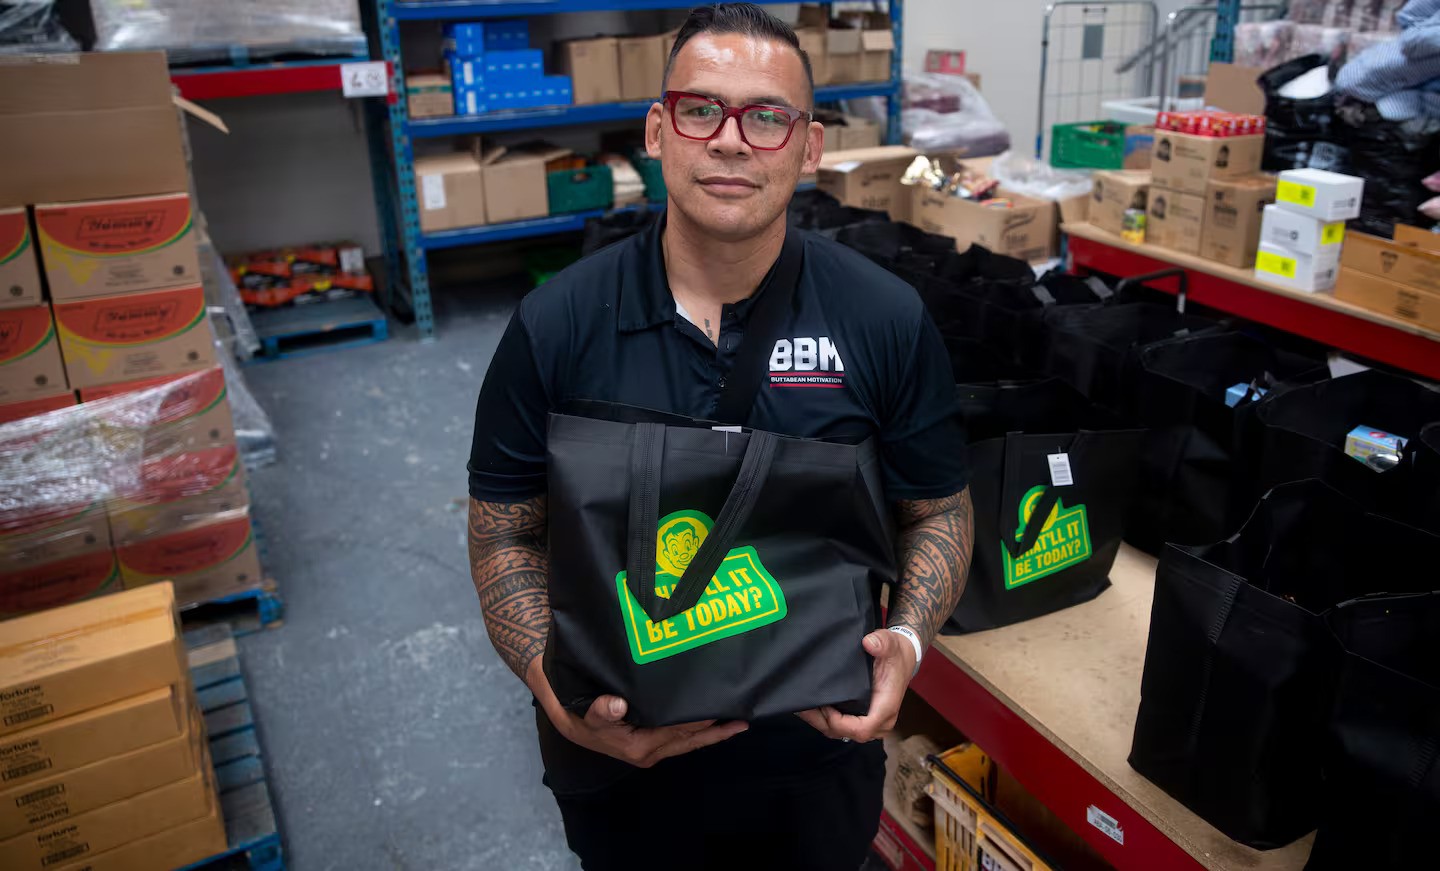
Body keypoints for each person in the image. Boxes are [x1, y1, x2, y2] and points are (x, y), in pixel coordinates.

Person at [466, 5, 973, 868]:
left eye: (768, 117)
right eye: (702, 110)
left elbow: (940, 511)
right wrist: (555, 695)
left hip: (812, 765)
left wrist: (911, 643)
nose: (732, 141)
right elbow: (504, 529)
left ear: (810, 148)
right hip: (619, 770)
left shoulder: (883, 319)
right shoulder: (558, 325)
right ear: (659, 132)